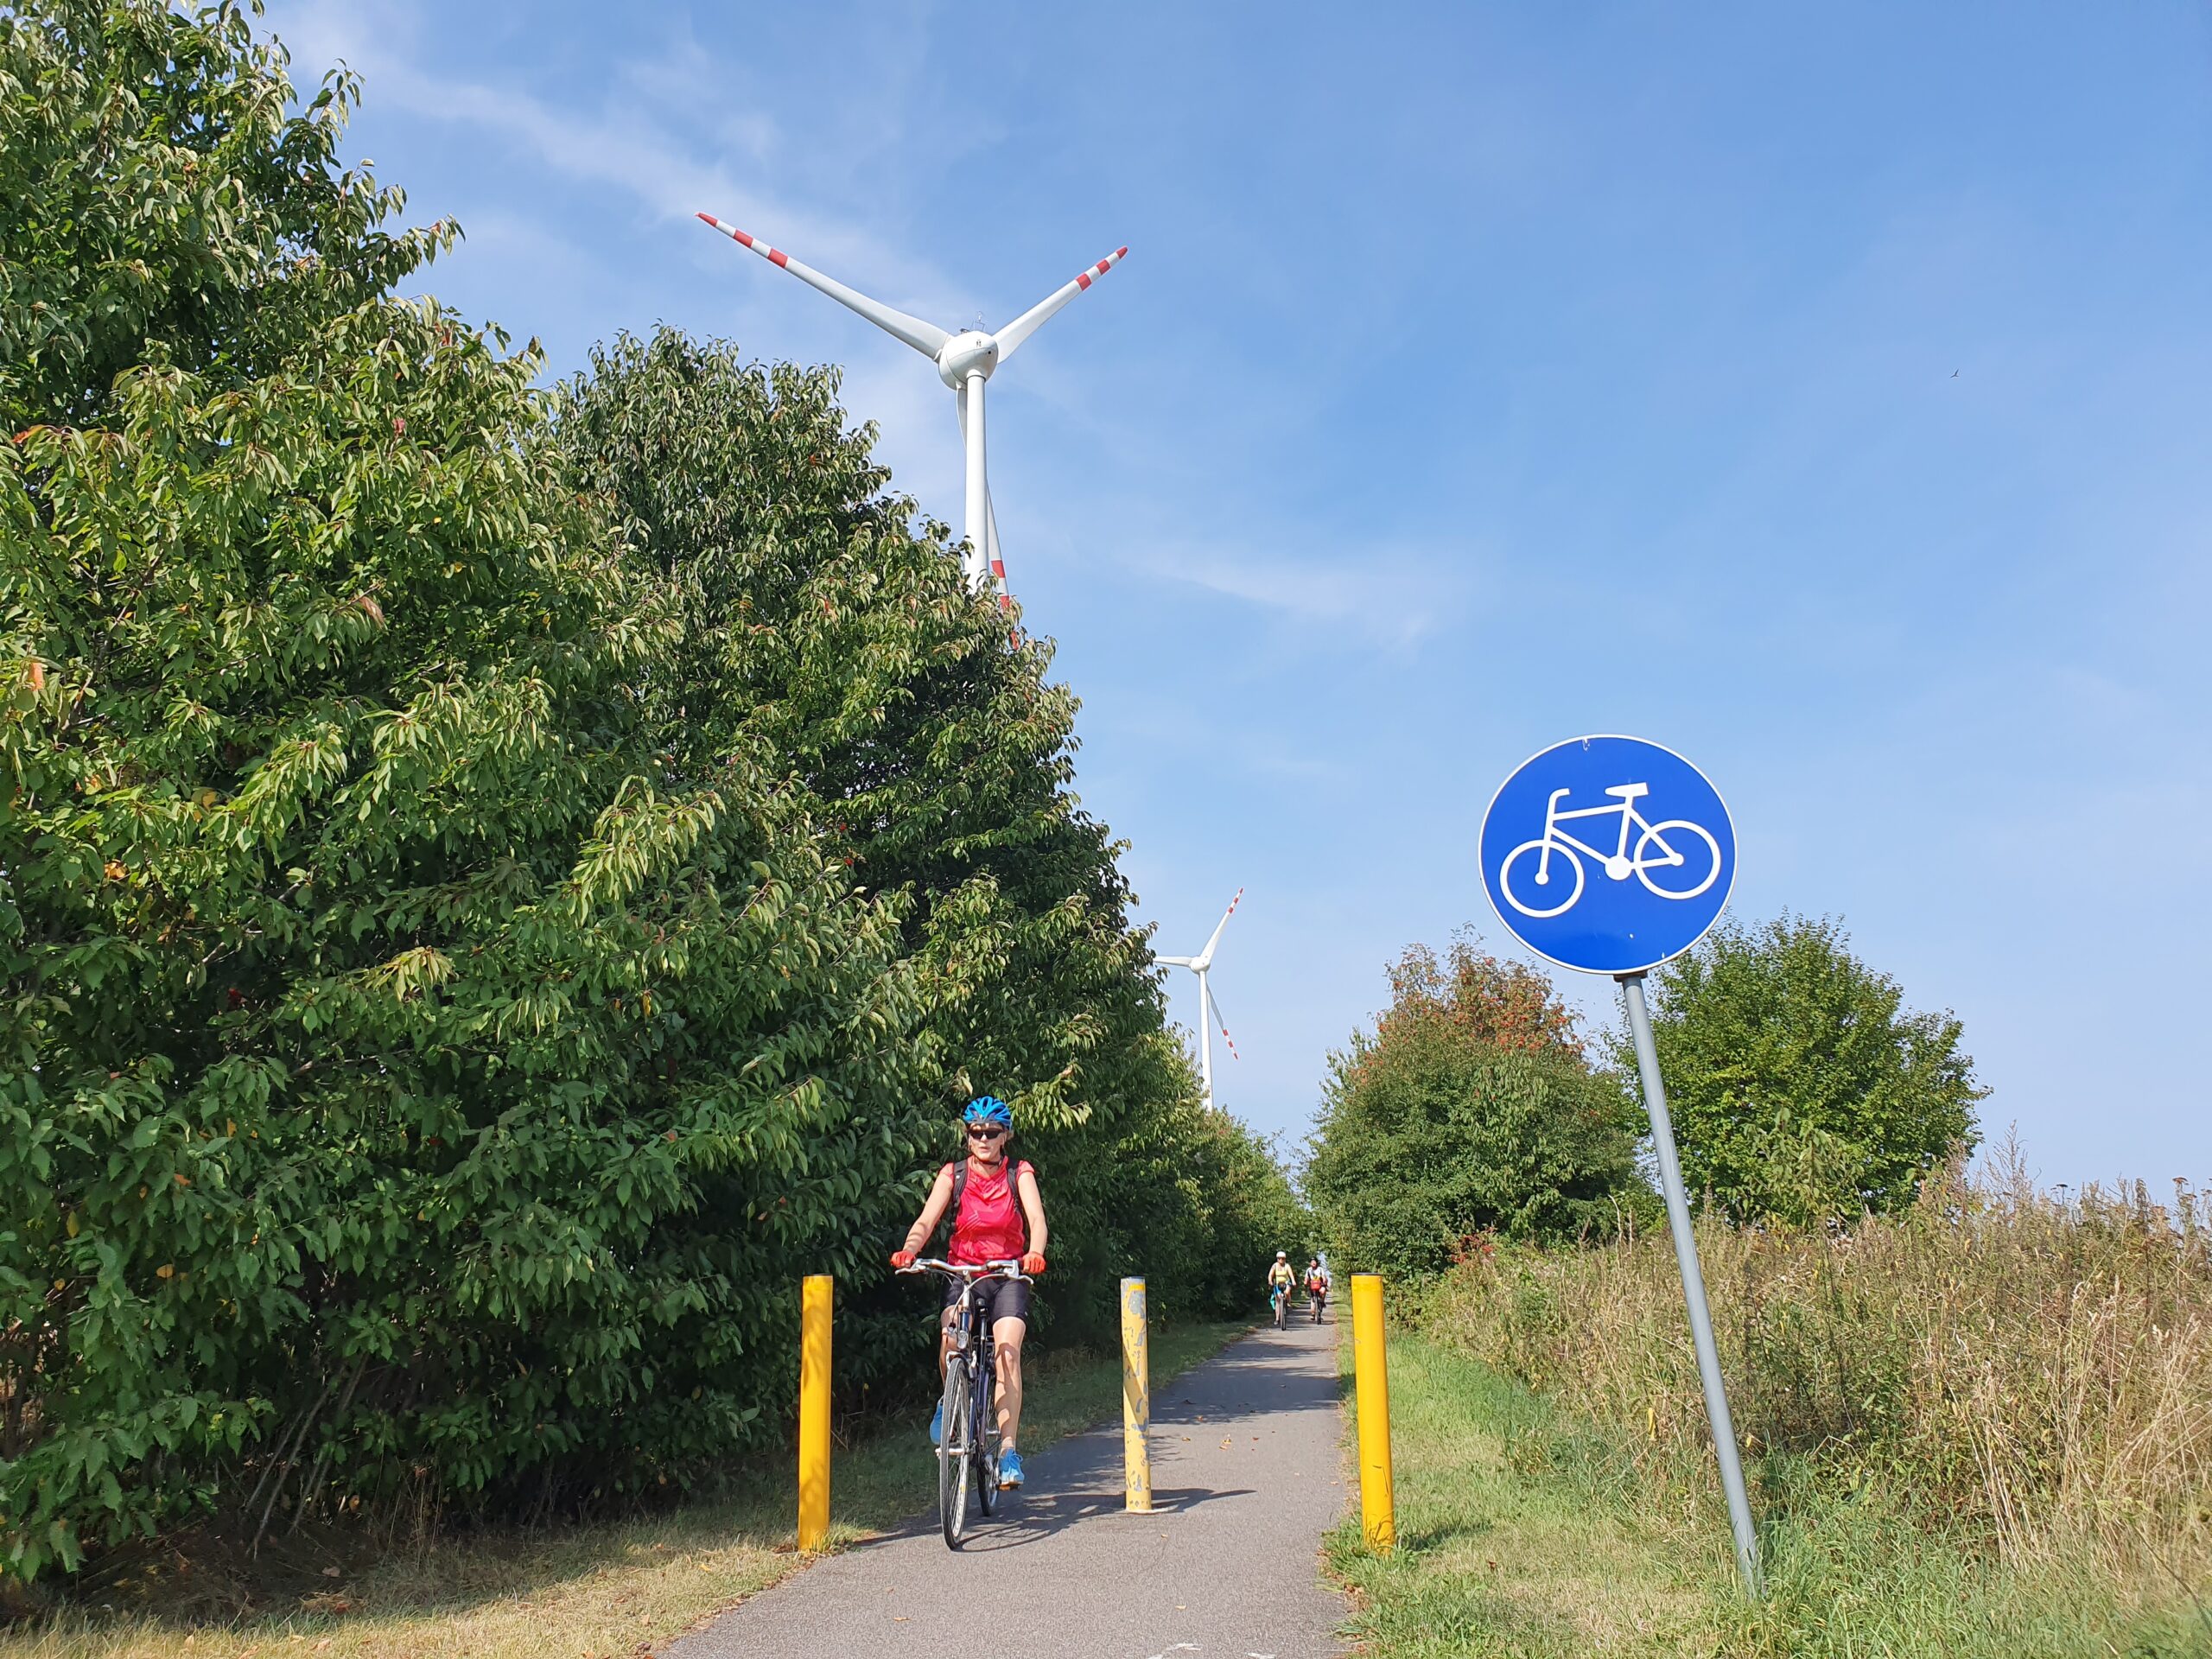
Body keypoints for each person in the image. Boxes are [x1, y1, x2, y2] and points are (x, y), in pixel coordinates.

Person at [890, 1096, 1049, 1489]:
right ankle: (950, 1399)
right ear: (967, 1136)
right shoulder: (954, 1174)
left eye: (991, 1132)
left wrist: (1034, 1253)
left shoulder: (1019, 1173)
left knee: (1007, 1354)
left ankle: (1008, 1452)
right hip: (962, 1271)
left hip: (1007, 1274)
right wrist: (910, 1249)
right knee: (950, 1338)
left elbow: (1037, 1220)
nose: (983, 1139)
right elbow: (927, 1219)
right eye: (976, 1132)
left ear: (1005, 1136)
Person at [1266, 1249, 1297, 1321]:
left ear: (1285, 1259)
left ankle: (1289, 1303)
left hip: (1286, 1282)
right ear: (1277, 1259)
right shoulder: (1275, 1266)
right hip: (1278, 1283)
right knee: (1278, 1299)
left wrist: (1293, 1281)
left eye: (1283, 1258)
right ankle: (1277, 1318)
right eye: (1279, 1258)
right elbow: (1270, 1275)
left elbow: (1291, 1275)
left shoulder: (1287, 1266)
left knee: (1287, 1292)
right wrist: (1270, 1281)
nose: (1281, 1260)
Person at [1306, 1255, 1332, 1323]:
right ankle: (1313, 1314)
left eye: (1315, 1261)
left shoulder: (1320, 1269)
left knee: (1323, 1291)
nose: (1313, 1263)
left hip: (1320, 1284)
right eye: (1312, 1262)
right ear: (1310, 1263)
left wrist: (1324, 1280)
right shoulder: (1309, 1270)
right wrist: (1306, 1282)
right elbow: (1306, 1278)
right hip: (1312, 1286)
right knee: (1313, 1299)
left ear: (1317, 1262)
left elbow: (1323, 1276)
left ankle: (1322, 1301)